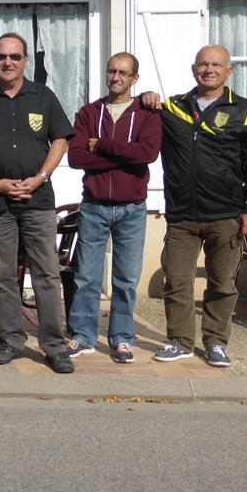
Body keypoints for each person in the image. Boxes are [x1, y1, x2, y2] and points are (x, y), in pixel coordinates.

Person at [0, 33, 75, 374]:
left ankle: (54, 345)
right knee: (3, 277)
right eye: (1, 57)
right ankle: (10, 340)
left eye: (15, 56)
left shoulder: (43, 96)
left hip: (37, 202)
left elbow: (60, 141)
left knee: (47, 276)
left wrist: (40, 178)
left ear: (25, 60)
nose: (7, 62)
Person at [141, 45, 247, 368]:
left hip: (227, 216)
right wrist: (146, 96)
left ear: (229, 71)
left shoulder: (244, 110)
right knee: (177, 282)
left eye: (216, 64)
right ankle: (180, 342)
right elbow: (142, 112)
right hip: (182, 216)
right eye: (202, 64)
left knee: (222, 285)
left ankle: (215, 343)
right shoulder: (173, 107)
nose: (208, 69)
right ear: (193, 68)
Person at [65, 53, 161, 364]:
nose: (115, 77)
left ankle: (121, 339)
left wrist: (102, 145)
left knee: (126, 279)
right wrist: (125, 155)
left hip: (132, 208)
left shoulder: (146, 113)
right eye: (111, 71)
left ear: (135, 78)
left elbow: (147, 153)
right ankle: (83, 336)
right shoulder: (88, 113)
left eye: (123, 72)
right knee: (87, 277)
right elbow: (76, 158)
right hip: (94, 205)